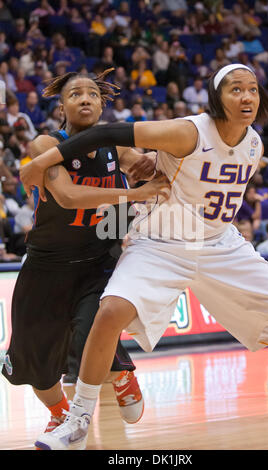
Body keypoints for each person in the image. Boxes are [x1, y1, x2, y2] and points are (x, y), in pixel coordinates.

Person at [21, 64, 268, 451]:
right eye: (236, 89)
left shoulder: (254, 145)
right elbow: (103, 138)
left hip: (220, 243)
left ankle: (115, 377)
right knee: (106, 313)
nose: (247, 96)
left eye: (252, 89)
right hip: (159, 240)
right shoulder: (187, 131)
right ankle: (78, 419)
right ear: (217, 97)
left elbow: (132, 158)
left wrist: (143, 165)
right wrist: (38, 164)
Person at [2, 69, 170, 449]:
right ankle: (61, 414)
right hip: (46, 262)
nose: (85, 99)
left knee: (90, 332)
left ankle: (120, 373)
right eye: (75, 94)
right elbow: (68, 196)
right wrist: (137, 196)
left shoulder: (117, 149)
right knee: (32, 364)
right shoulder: (45, 143)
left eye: (92, 94)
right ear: (61, 105)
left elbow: (147, 167)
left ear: (102, 103)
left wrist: (155, 164)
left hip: (98, 260)